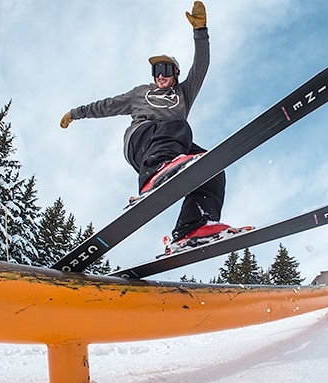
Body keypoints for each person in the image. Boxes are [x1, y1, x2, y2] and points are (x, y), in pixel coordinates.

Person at [59, 2, 234, 250]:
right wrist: (76, 113)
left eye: (164, 70)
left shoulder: (184, 91)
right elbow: (107, 105)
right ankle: (154, 172)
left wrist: (200, 31)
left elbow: (201, 65)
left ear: (175, 73)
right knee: (175, 125)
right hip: (142, 143)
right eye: (155, 70)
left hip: (173, 147)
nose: (160, 76)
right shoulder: (140, 93)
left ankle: (193, 227)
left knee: (212, 166)